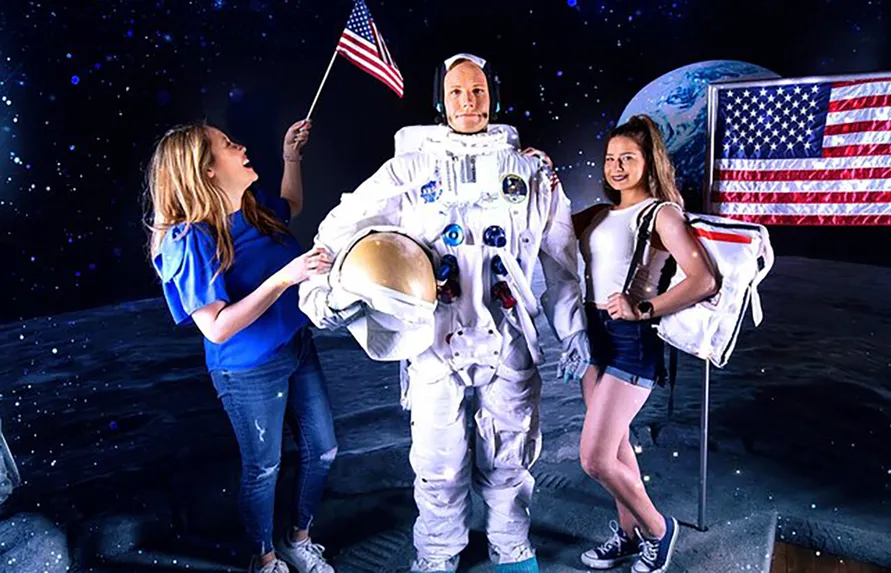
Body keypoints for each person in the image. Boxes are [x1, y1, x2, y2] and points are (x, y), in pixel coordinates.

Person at [298, 53, 590, 573]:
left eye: (478, 91)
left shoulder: (530, 171)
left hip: (507, 336)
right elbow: (340, 230)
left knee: (509, 455)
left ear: (492, 97)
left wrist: (573, 329)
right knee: (438, 463)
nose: (468, 102)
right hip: (435, 338)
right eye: (456, 92)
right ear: (440, 101)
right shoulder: (410, 168)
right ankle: (437, 554)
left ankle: (511, 549)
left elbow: (562, 258)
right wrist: (327, 295)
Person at [145, 118, 340, 573]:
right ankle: (265, 558)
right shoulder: (188, 238)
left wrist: (291, 156)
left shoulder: (251, 207)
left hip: (296, 344)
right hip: (248, 370)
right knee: (264, 469)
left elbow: (291, 203)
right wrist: (284, 278)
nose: (242, 146)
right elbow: (216, 327)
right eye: (229, 145)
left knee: (324, 448)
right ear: (206, 169)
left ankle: (297, 540)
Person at [572, 115, 719, 573]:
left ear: (647, 161)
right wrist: (539, 174)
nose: (616, 167)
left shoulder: (661, 213)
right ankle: (629, 535)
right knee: (615, 449)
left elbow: (704, 279)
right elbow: (545, 222)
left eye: (628, 158)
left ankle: (658, 529)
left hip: (631, 341)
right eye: (611, 158)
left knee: (595, 459)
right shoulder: (599, 214)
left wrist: (646, 308)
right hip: (593, 337)